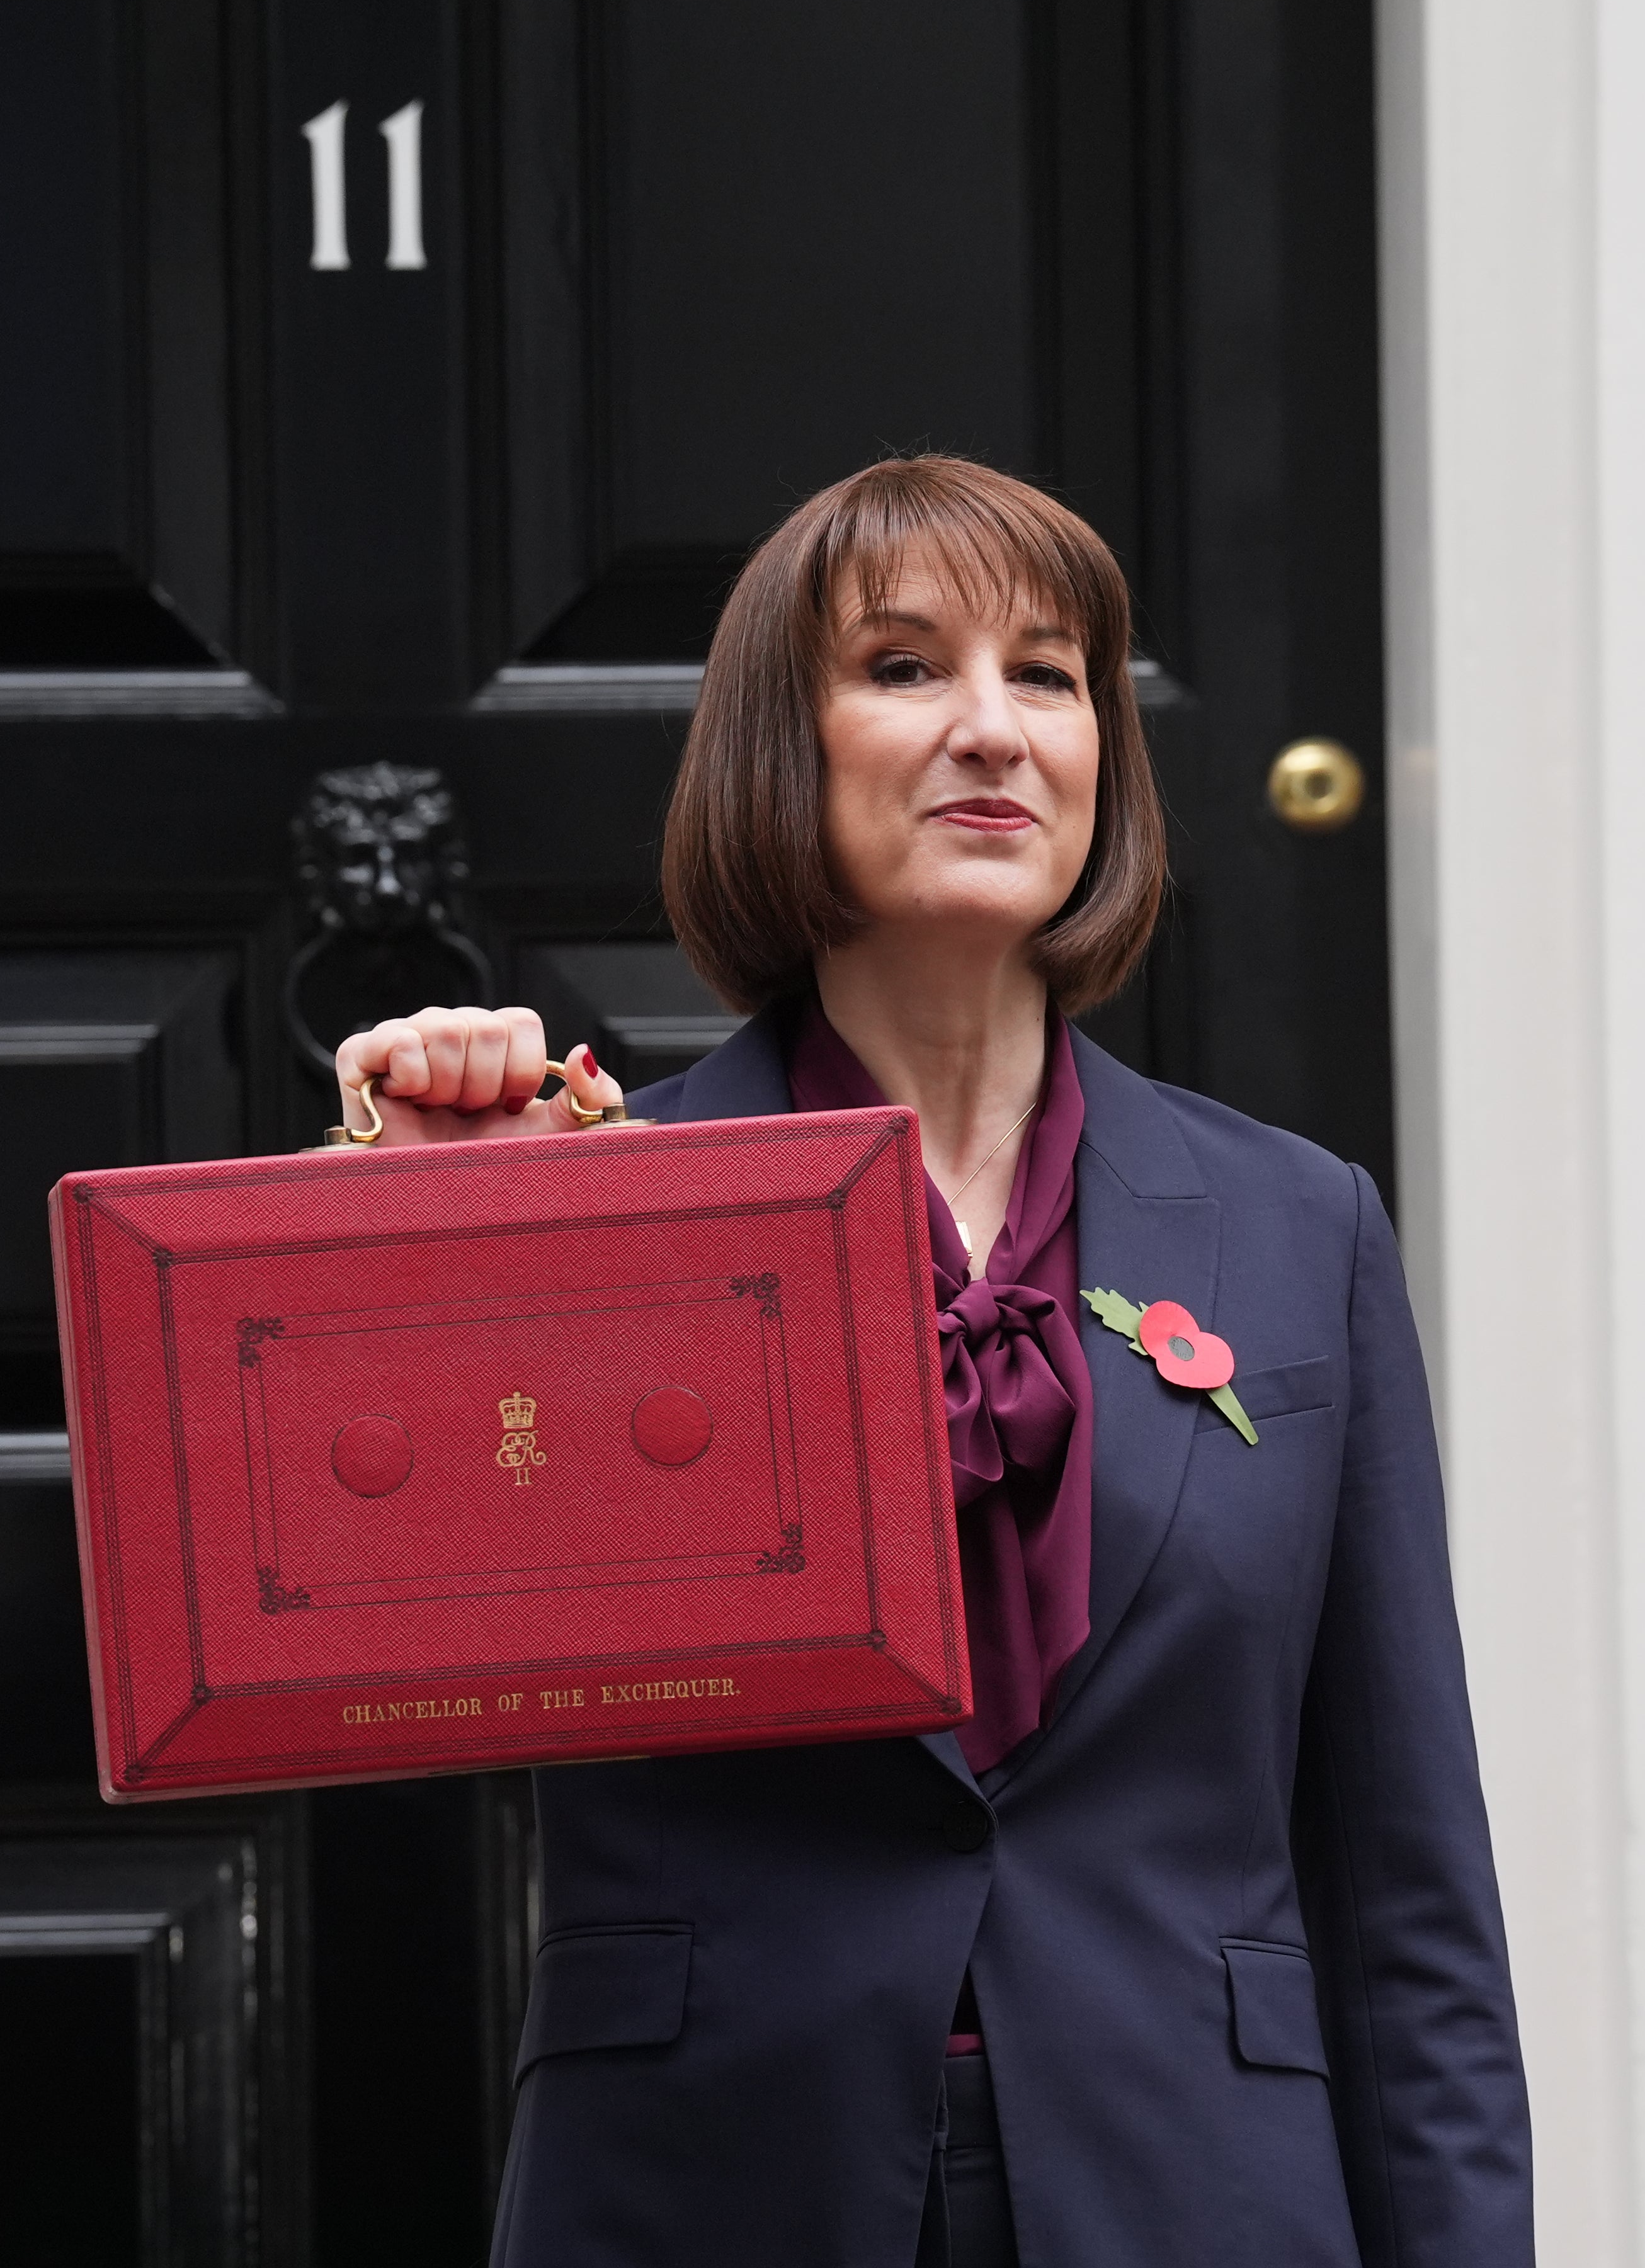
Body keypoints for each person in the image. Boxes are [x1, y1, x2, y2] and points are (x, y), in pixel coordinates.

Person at [333, 456, 1532, 2268]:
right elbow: (357, 1649)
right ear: (778, 748)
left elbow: (1408, 1882)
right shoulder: (595, 1206)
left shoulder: (1304, 1230)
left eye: (1047, 676)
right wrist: (411, 1234)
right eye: (904, 668)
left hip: (1201, 2194)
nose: (994, 729)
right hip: (707, 2187)